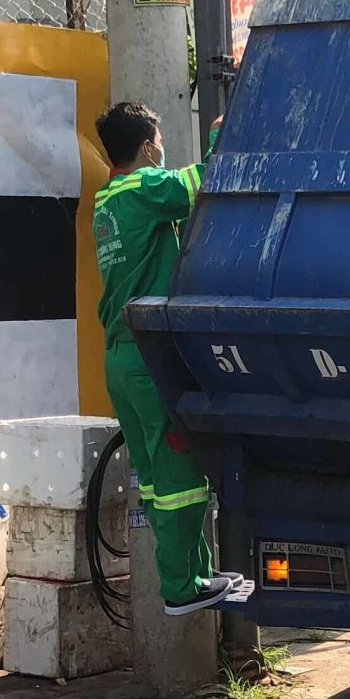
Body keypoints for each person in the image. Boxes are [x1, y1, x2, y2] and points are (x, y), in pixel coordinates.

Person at [92, 100, 252, 616]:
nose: (162, 149)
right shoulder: (144, 188)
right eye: (159, 142)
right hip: (148, 358)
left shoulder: (106, 200)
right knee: (181, 475)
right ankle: (182, 586)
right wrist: (224, 133)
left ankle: (196, 573)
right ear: (146, 147)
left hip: (121, 356)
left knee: (159, 481)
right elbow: (203, 182)